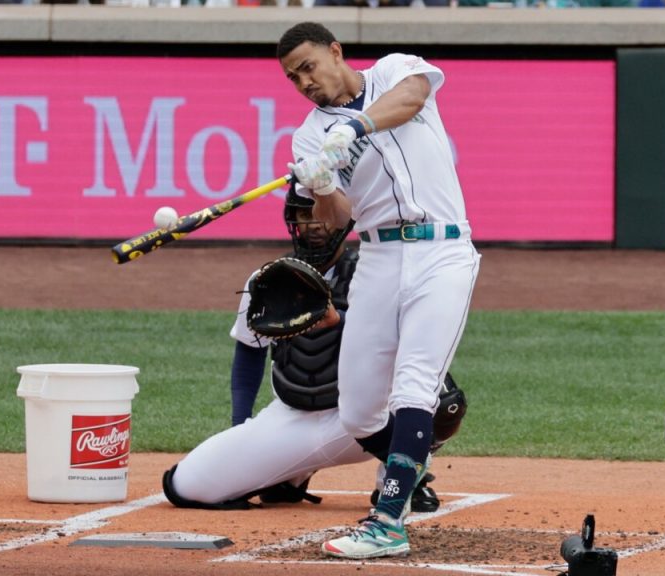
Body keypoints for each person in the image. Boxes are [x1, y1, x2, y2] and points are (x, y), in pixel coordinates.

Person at [279, 22, 481, 559]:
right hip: (379, 258)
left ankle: (388, 521)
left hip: (443, 252)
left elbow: (413, 98)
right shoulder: (308, 136)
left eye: (308, 66)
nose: (303, 81)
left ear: (335, 52)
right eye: (293, 76)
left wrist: (356, 128)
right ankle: (409, 463)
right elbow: (336, 220)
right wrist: (320, 183)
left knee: (414, 387)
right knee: (360, 411)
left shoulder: (393, 70)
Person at [161, 187, 465, 512]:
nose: (314, 224)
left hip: (364, 419)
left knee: (441, 397)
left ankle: (401, 477)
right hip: (291, 416)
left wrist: (341, 320)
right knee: (185, 486)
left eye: (320, 213)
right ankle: (287, 476)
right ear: (291, 220)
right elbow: (250, 353)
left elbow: (409, 343)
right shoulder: (267, 281)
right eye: (304, 215)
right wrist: (241, 429)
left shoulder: (379, 275)